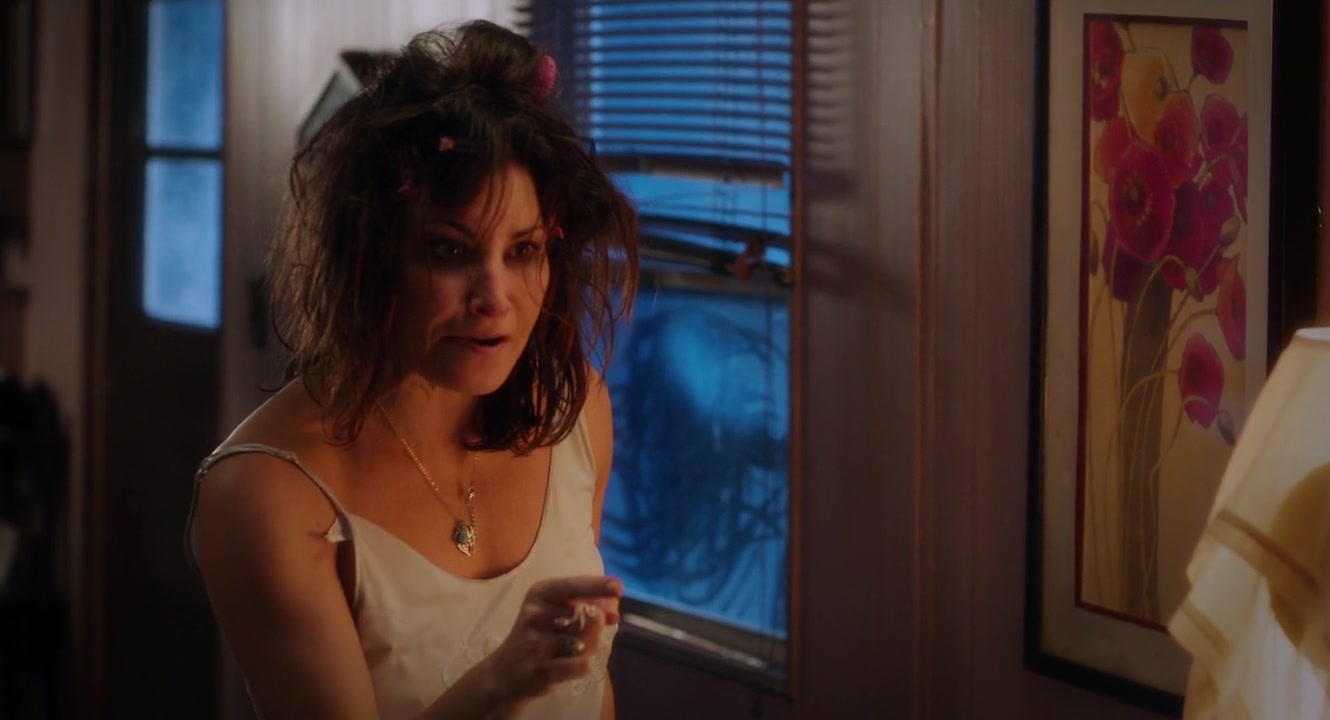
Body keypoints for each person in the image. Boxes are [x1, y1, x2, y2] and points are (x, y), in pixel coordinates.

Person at [186, 20, 639, 720]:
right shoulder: (267, 496)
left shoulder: (575, 410)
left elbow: (591, 688)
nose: (495, 300)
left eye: (523, 250)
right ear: (373, 256)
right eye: (450, 252)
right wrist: (499, 684)